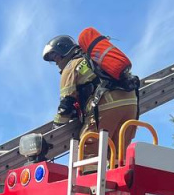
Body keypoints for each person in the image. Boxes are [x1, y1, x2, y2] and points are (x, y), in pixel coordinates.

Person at [43, 34, 138, 167]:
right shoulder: (95, 60)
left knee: (87, 151)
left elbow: (65, 105)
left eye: (55, 56)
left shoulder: (71, 67)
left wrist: (57, 128)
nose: (56, 62)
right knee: (117, 154)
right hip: (131, 104)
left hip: (107, 106)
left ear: (63, 50)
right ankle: (118, 177)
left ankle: (89, 179)